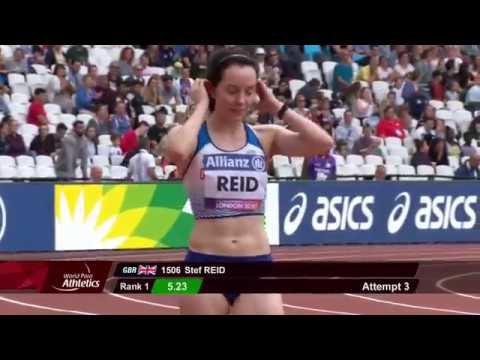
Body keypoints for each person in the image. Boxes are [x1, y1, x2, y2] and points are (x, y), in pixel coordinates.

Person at [163, 47, 333, 315]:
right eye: (232, 90)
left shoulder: (265, 137)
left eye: (249, 90)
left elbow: (322, 143)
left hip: (256, 264)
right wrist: (201, 106)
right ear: (212, 88)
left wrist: (277, 106)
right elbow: (177, 152)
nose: (241, 100)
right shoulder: (191, 137)